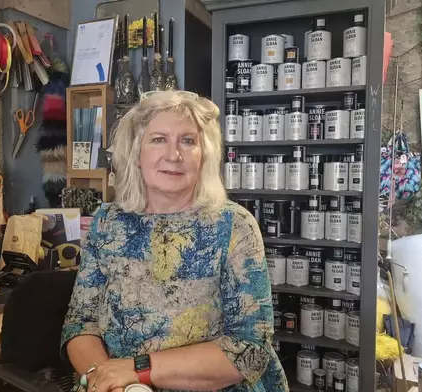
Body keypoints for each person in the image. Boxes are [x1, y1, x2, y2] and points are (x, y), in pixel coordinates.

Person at [61, 90, 288, 392]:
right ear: (136, 153)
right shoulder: (107, 222)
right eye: (158, 139)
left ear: (204, 155)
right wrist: (105, 379)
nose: (173, 155)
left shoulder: (234, 225)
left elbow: (249, 350)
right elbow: (80, 323)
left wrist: (137, 371)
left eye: (188, 140)